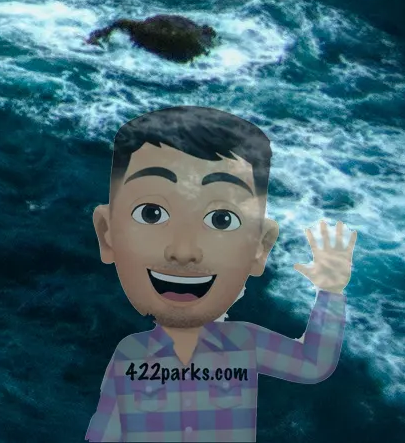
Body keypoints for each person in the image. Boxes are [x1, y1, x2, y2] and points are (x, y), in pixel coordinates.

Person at [85, 105, 354, 438]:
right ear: (107, 232)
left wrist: (330, 292)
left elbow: (313, 364)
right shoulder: (130, 355)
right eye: (151, 213)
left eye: (221, 220)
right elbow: (106, 427)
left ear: (261, 245)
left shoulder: (245, 344)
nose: (183, 252)